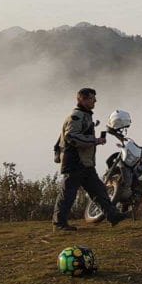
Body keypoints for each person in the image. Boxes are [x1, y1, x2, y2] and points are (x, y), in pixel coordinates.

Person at [51, 88, 127, 231]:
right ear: (82, 100)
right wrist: (95, 140)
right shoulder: (77, 116)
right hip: (75, 162)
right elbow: (71, 136)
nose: (95, 101)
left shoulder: (84, 116)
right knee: (68, 195)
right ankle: (59, 224)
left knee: (99, 191)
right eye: (92, 98)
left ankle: (113, 216)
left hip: (85, 163)